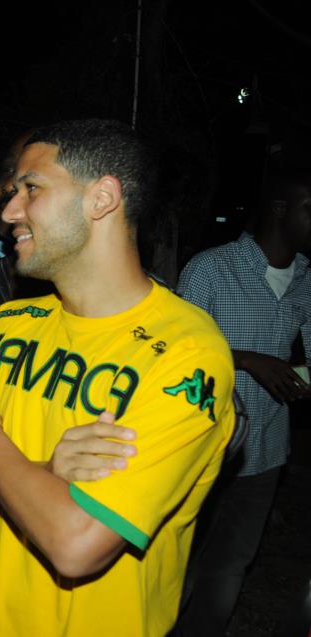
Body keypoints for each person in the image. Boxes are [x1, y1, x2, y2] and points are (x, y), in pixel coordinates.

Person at [0, 119, 236, 636]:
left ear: (102, 198)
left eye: (32, 189)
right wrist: (46, 472)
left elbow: (77, 543)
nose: (9, 210)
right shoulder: (11, 322)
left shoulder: (187, 354)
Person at [173, 154, 311, 636]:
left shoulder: (308, 279)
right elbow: (174, 353)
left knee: (230, 565)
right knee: (178, 564)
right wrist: (247, 360)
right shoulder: (211, 269)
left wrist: (299, 378)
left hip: (267, 449)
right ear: (280, 208)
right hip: (203, 447)